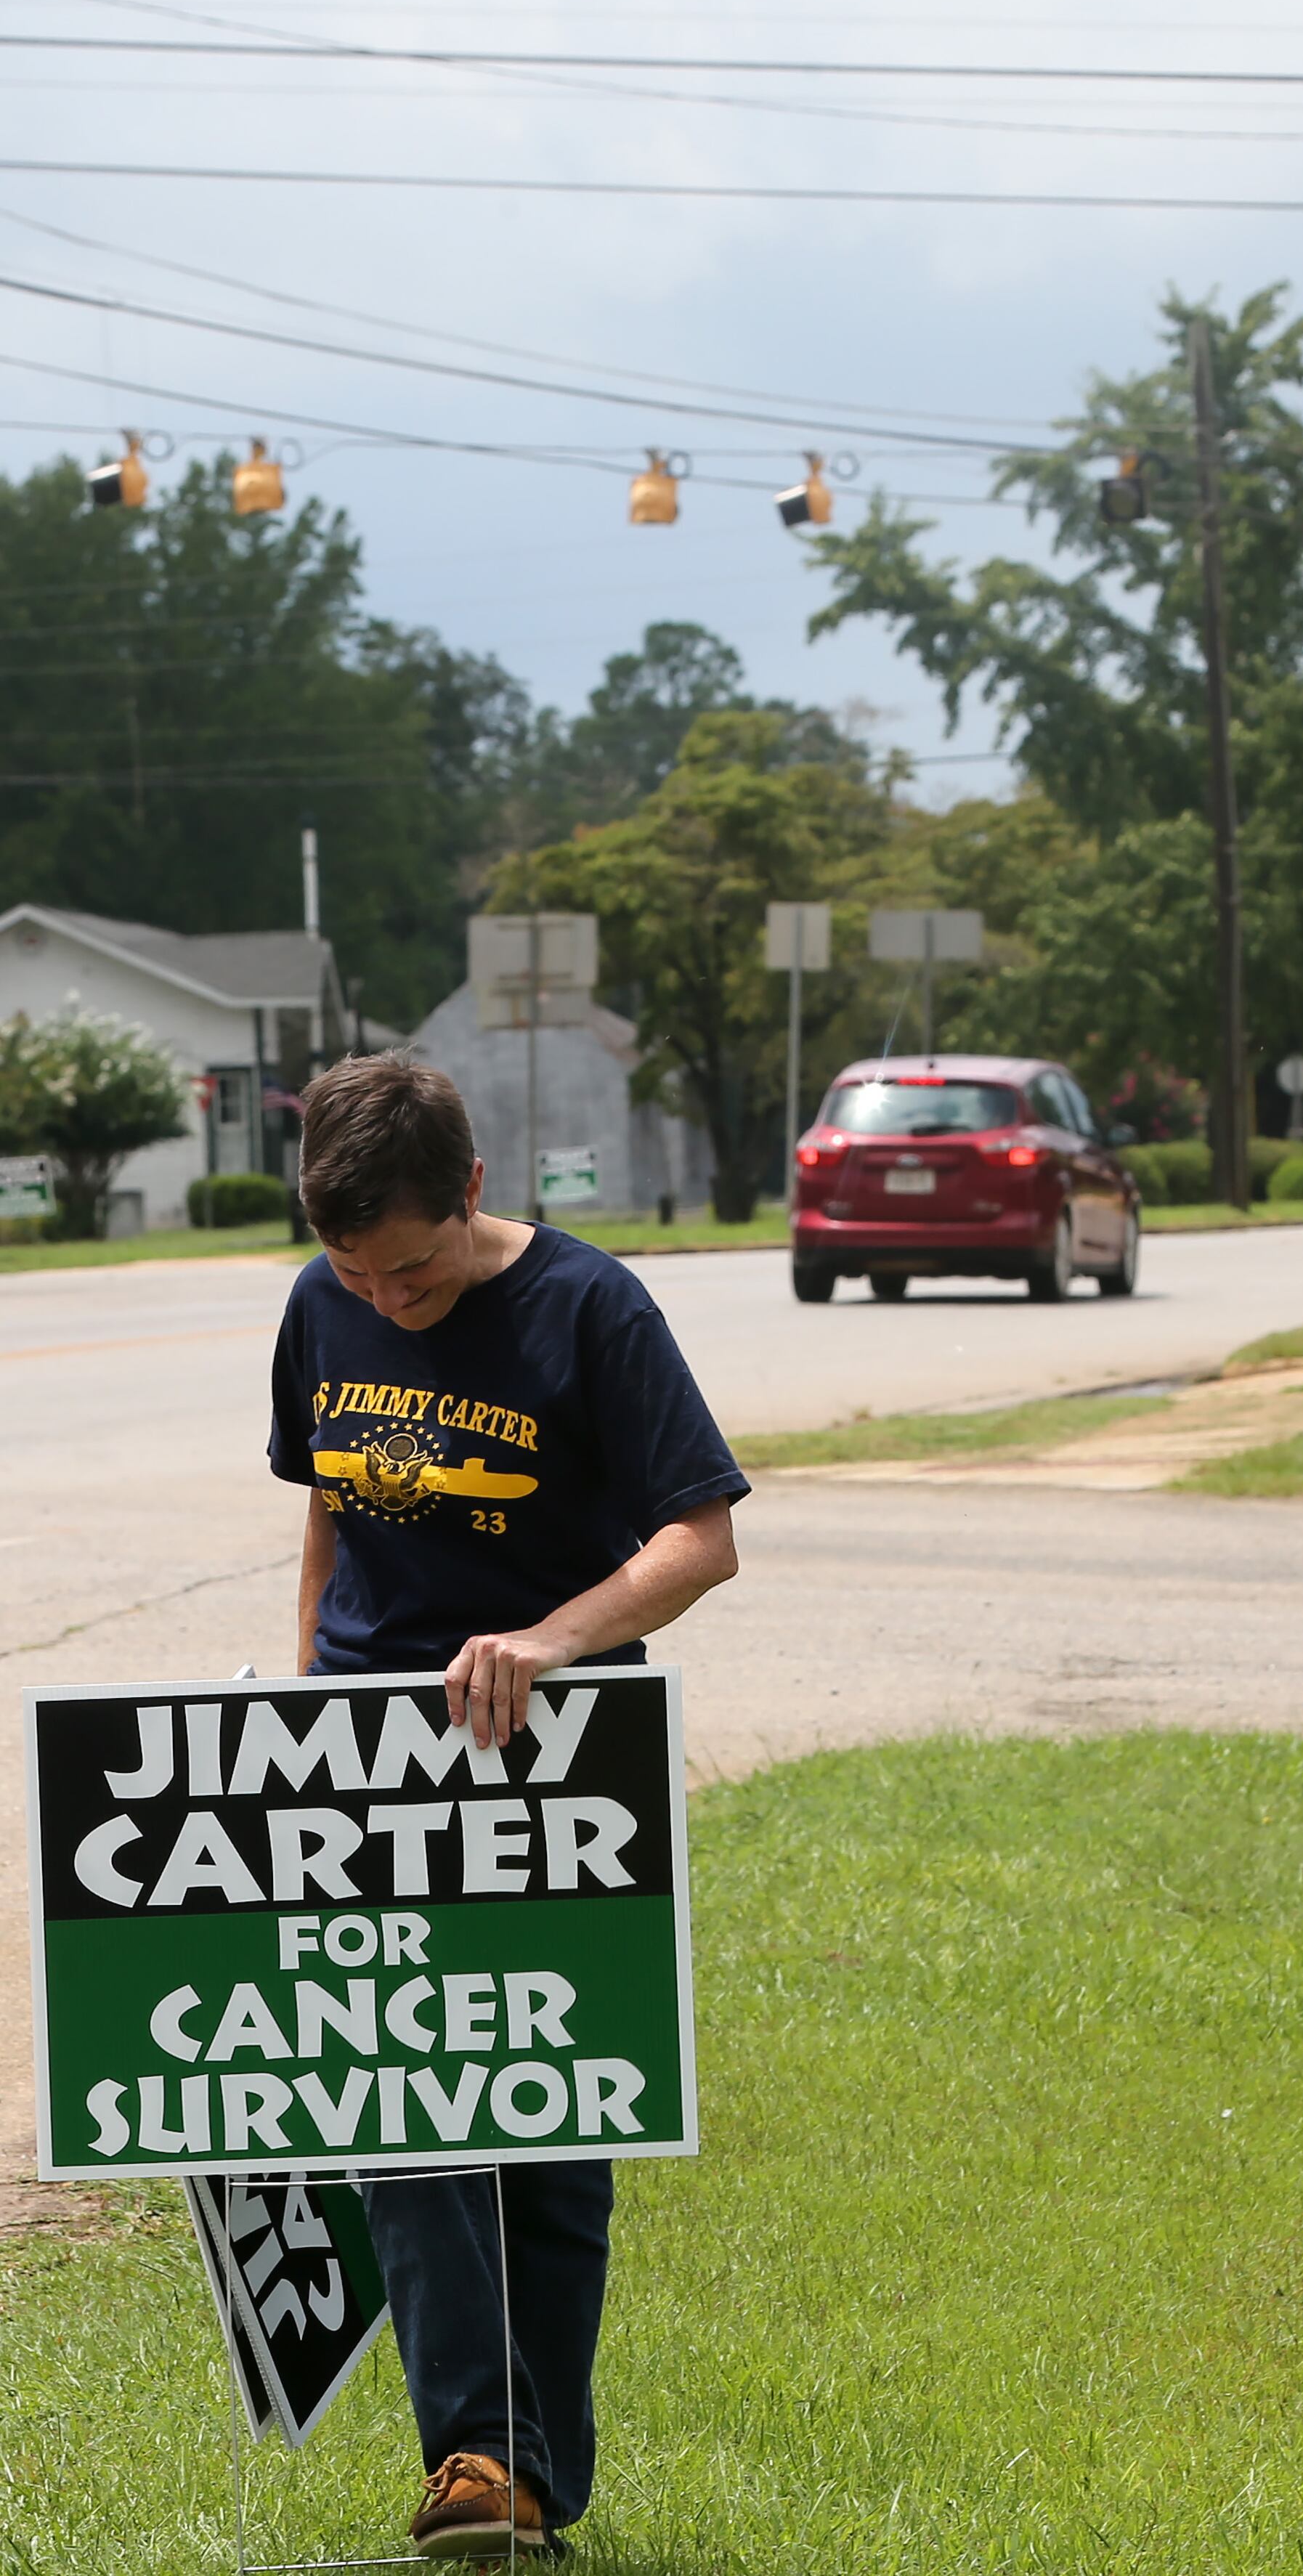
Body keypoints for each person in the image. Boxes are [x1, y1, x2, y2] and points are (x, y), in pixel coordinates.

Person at [268, 1054, 744, 2562]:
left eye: (408, 1272)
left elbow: (701, 1539)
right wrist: (298, 1708)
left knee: (550, 2121)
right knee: (396, 2106)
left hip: (556, 1758)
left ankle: (534, 2479)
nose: (385, 1299)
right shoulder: (318, 1301)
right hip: (368, 1757)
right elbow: (331, 1512)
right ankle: (475, 2458)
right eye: (357, 1272)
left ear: (470, 1193)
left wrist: (550, 1639)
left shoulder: (590, 1309)